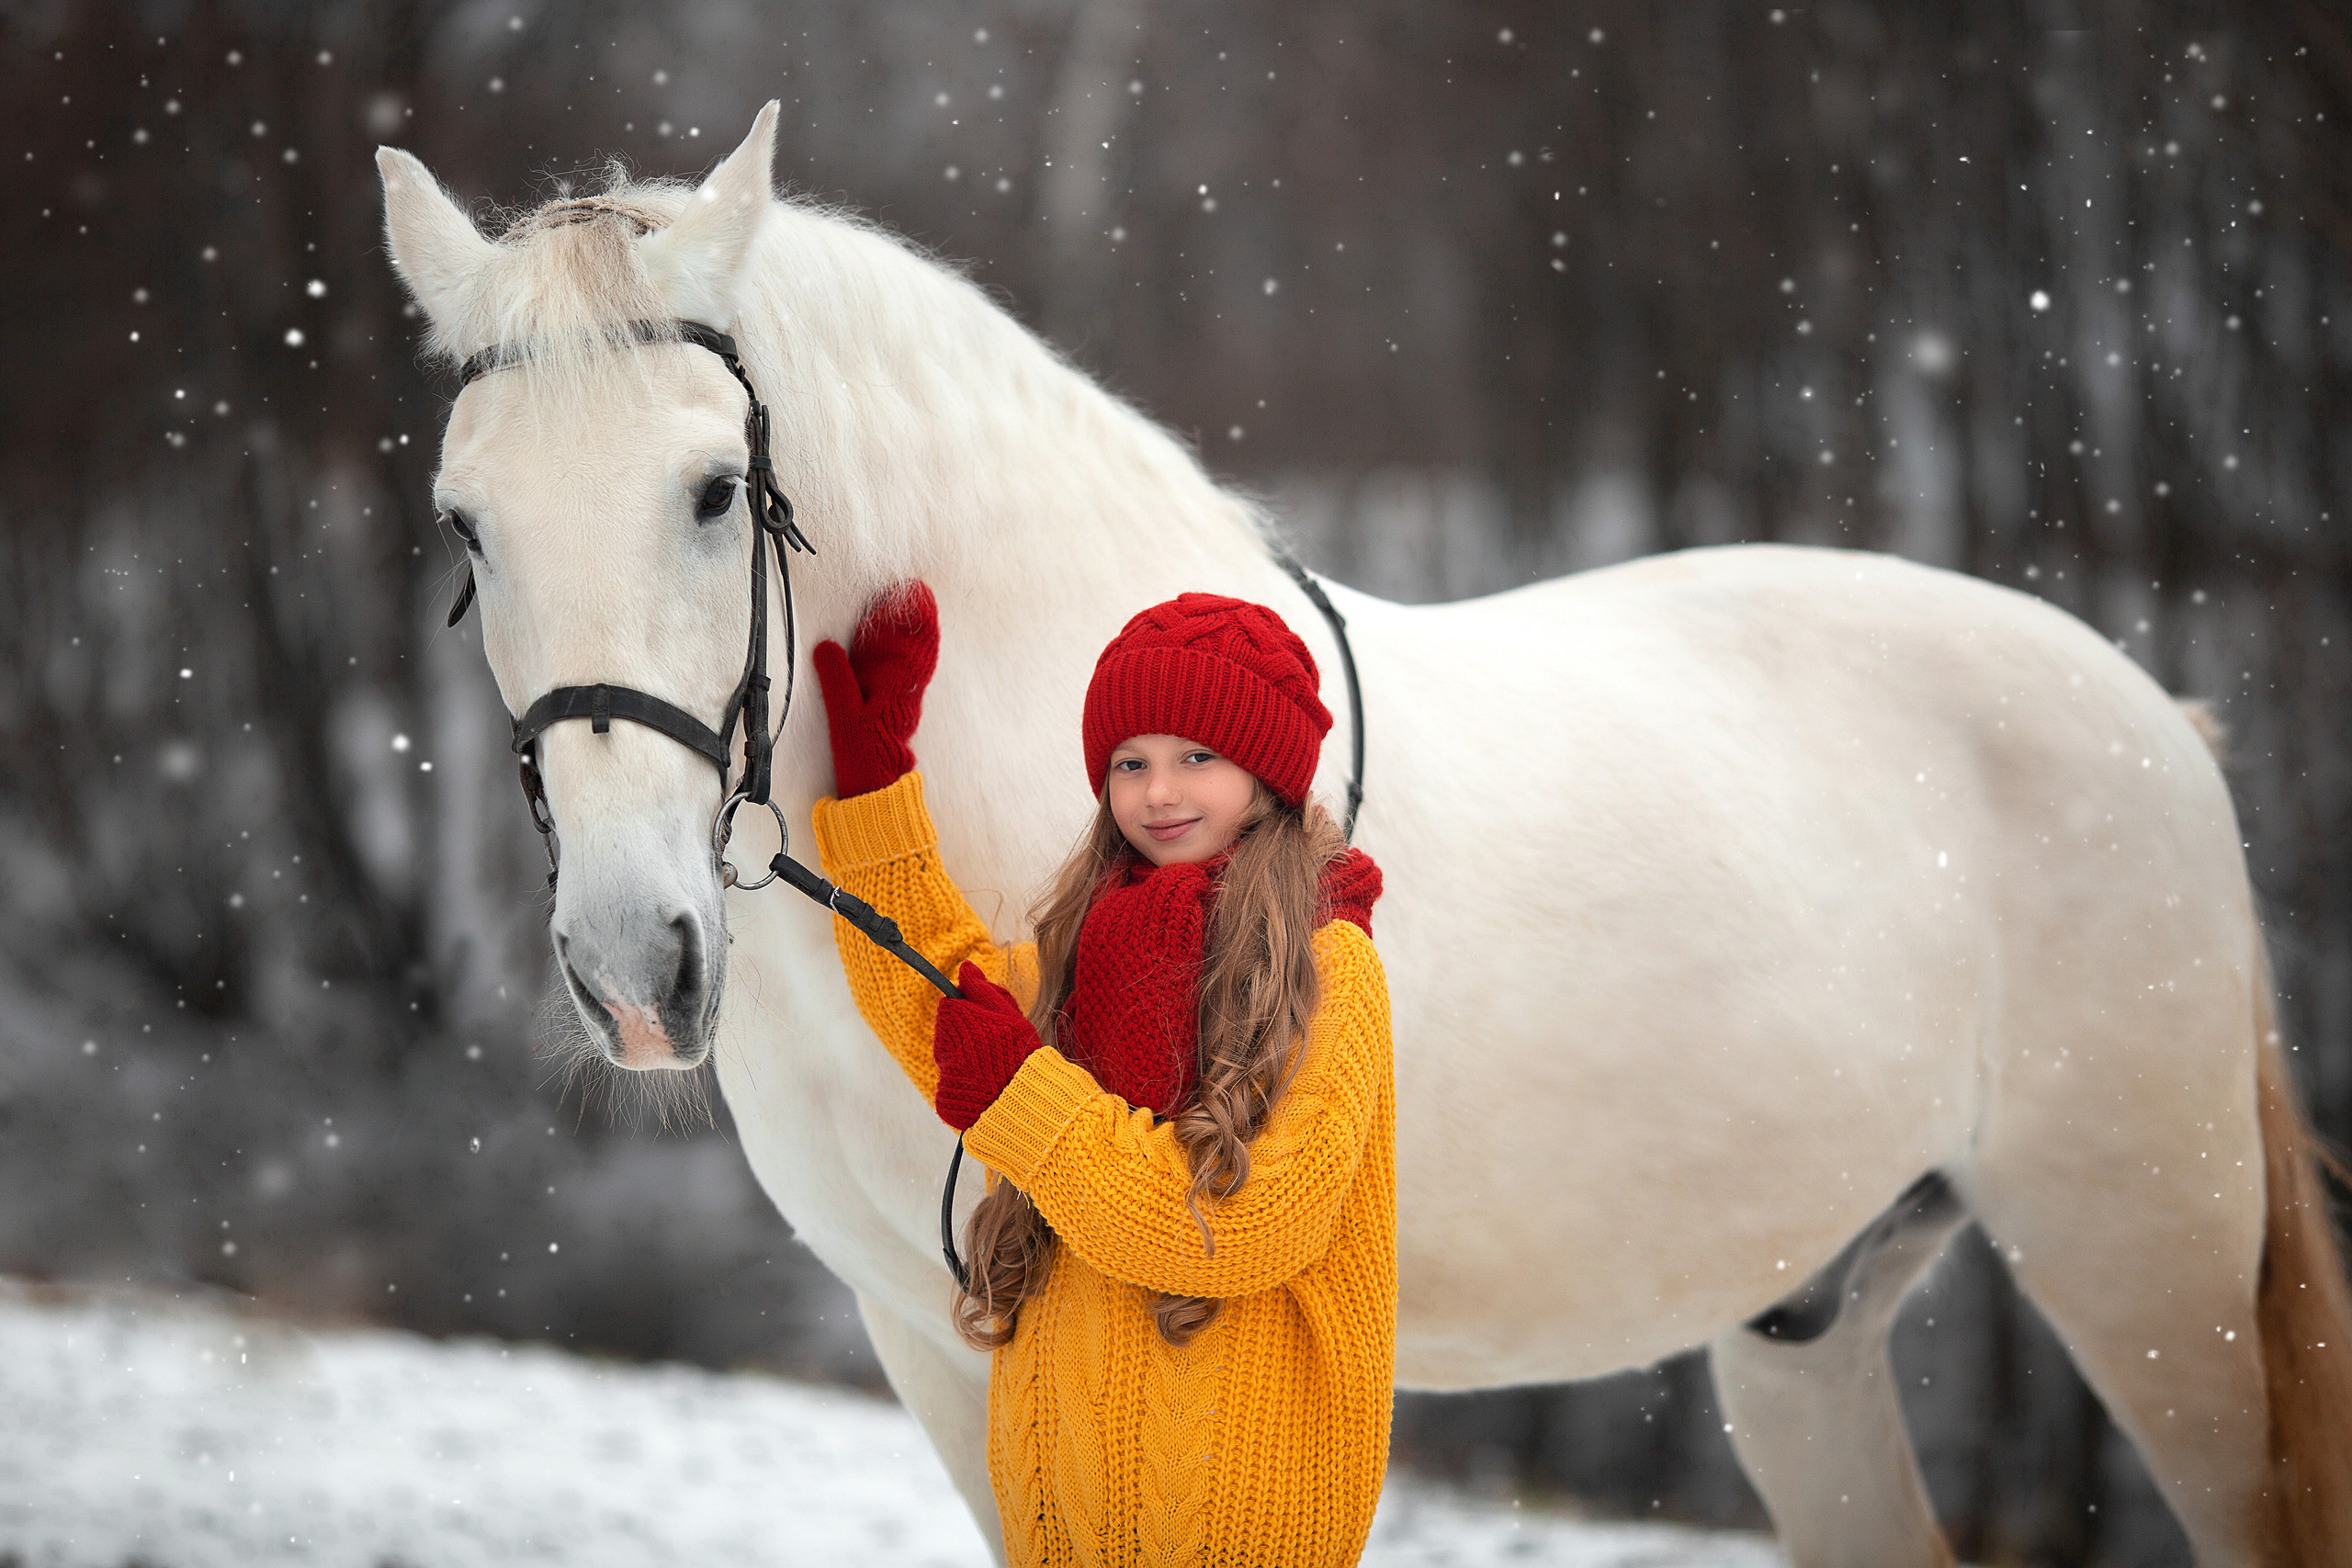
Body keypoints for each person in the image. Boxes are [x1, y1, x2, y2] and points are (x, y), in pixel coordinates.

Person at [809, 583, 1397, 1568]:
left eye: (1195, 757)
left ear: (1267, 772)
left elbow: (1241, 1226)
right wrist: (875, 796)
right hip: (1058, 1524)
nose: (1158, 792)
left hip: (1245, 1536)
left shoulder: (1327, 968)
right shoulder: (1070, 964)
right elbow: (938, 1000)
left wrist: (1025, 1101)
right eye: (1131, 763)